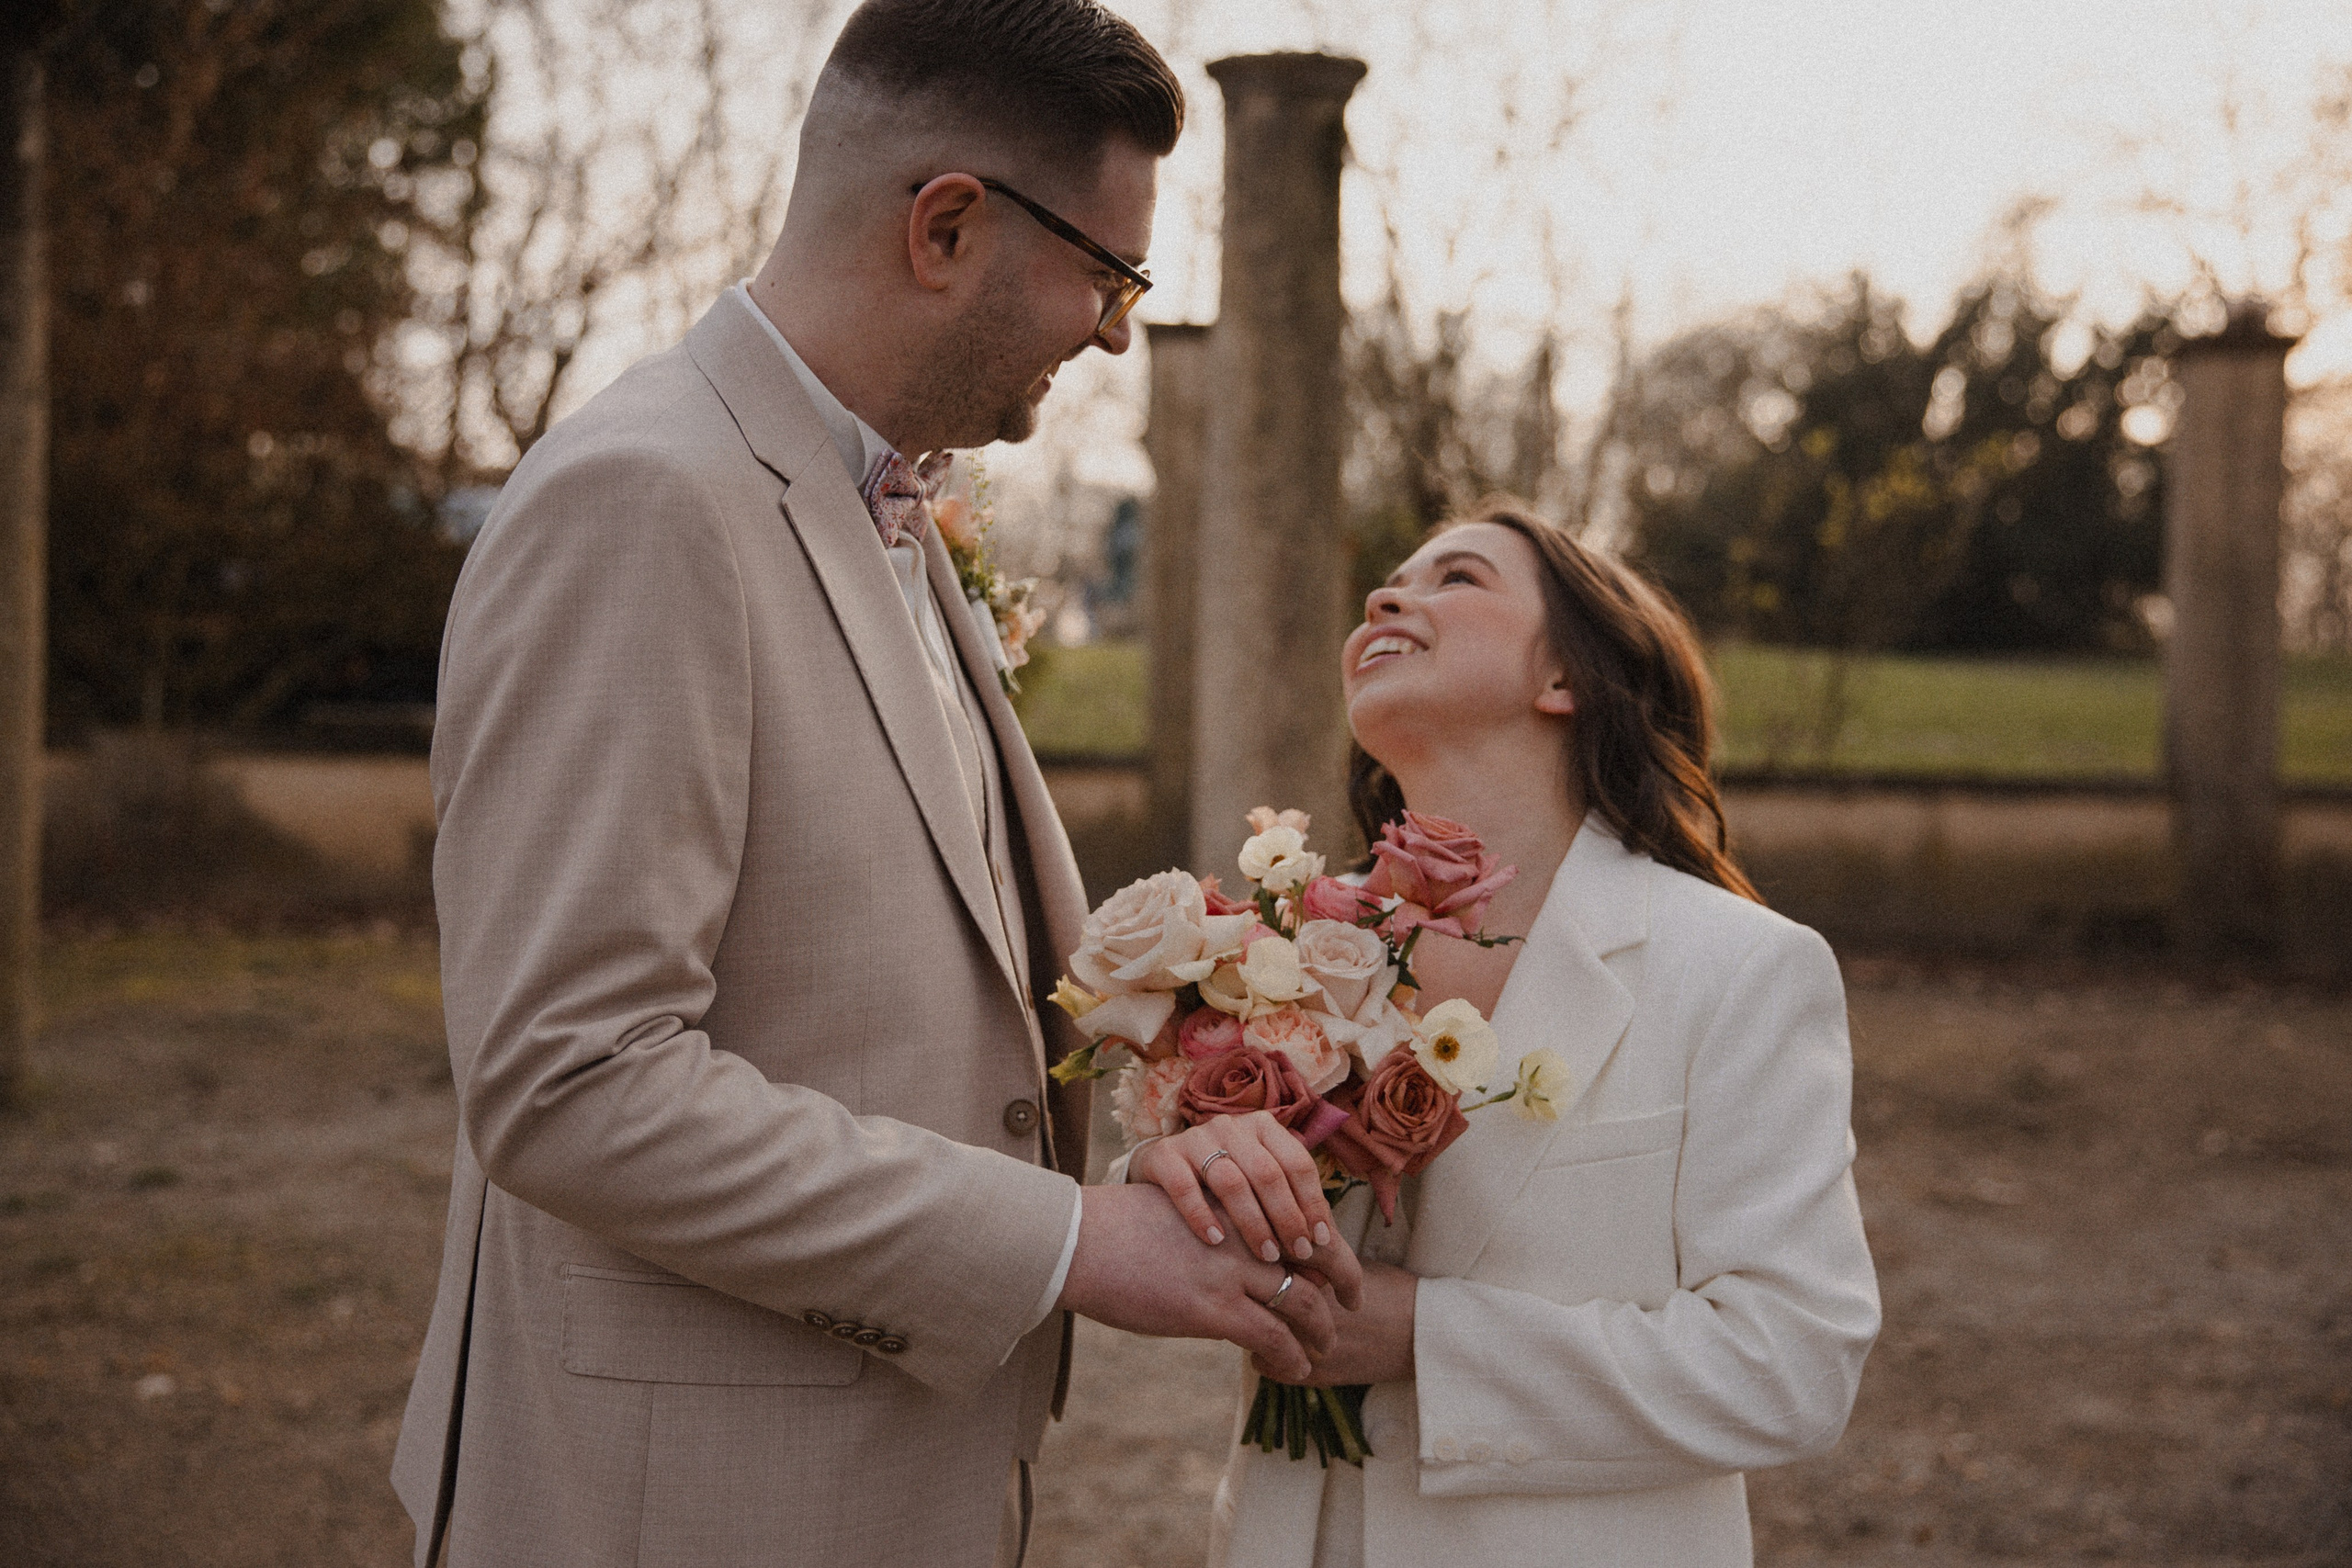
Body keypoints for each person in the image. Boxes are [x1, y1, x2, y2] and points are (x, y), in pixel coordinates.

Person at [390, 4, 1357, 1564]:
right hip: (684, 1505)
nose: (1117, 332)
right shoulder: (646, 500)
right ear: (947, 227)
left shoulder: (881, 504)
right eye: (1110, 275)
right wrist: (1066, 1241)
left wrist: (1170, 1131)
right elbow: (571, 1081)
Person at [1130, 503, 1881, 1566]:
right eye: (1388, 585)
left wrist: (1425, 1343)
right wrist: (1176, 1164)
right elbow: (1172, 1223)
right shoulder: (1278, 947)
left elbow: (1792, 1367)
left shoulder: (1739, 968)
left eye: (1456, 578)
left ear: (1564, 677)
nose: (1385, 599)